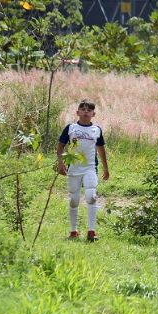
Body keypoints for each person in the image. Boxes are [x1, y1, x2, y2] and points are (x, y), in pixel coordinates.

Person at [56, 99, 109, 242]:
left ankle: (91, 231)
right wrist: (60, 163)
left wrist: (105, 167)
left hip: (90, 168)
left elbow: (101, 149)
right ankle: (73, 231)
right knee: (74, 200)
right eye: (83, 109)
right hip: (74, 168)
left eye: (89, 110)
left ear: (93, 114)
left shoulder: (96, 130)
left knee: (91, 196)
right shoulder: (71, 128)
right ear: (77, 112)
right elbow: (60, 146)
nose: (86, 112)